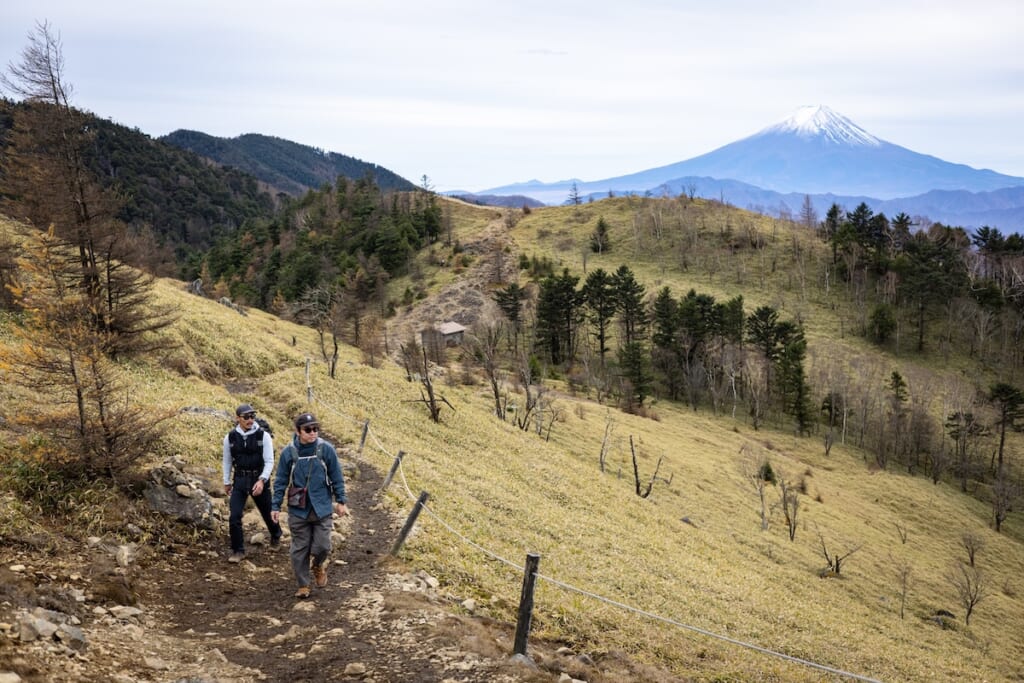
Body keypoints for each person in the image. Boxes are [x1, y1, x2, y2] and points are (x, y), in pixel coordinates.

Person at [271, 412, 348, 599]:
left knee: (323, 546)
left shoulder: (326, 449)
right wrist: (275, 505)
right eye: (308, 429)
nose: (313, 433)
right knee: (299, 548)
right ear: (298, 431)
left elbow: (336, 475)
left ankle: (318, 565)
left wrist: (341, 501)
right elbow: (281, 480)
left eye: (315, 429)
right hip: (298, 508)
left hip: (322, 506)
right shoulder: (288, 452)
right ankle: (303, 584)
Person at [222, 403, 282, 563]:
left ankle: (276, 535)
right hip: (240, 479)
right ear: (238, 418)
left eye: (252, 416)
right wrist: (226, 481)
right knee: (234, 515)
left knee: (267, 512)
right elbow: (227, 461)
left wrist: (262, 480)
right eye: (246, 417)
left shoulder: (264, 436)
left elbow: (270, 461)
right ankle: (238, 550)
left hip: (259, 477)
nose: (250, 420)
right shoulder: (230, 438)